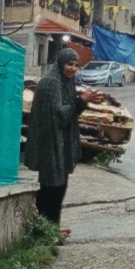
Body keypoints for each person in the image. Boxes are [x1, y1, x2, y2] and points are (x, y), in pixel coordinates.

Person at [25, 47, 91, 232]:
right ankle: (46, 230)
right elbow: (60, 115)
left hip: (60, 141)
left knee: (59, 186)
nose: (73, 68)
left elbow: (69, 112)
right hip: (49, 142)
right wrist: (81, 101)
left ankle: (52, 228)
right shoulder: (51, 82)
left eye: (76, 65)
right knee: (51, 186)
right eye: (70, 64)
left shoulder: (66, 82)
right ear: (61, 63)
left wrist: (82, 101)